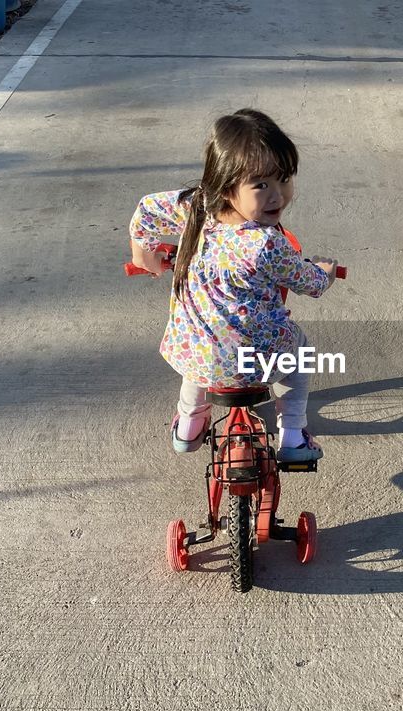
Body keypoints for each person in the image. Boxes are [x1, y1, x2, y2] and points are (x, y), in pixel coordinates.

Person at [127, 109, 337, 462]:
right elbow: (311, 284)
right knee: (300, 354)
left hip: (199, 356)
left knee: (200, 344)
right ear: (227, 188)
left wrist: (143, 254)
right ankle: (292, 437)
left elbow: (147, 210)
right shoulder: (268, 244)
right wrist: (325, 271)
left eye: (284, 179)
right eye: (261, 185)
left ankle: (188, 428)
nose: (278, 195)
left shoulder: (195, 207)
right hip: (257, 363)